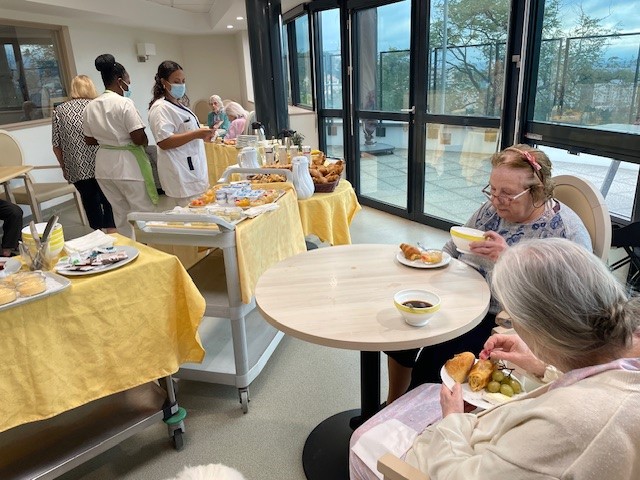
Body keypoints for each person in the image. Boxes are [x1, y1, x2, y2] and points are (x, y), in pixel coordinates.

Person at [351, 238, 640, 479]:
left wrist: (453, 420)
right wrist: (541, 365)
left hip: (445, 461)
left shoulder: (569, 425)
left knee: (361, 440)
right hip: (490, 440)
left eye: (512, 320)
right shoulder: (625, 349)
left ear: (542, 330)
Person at [386, 144, 592, 404]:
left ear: (537, 192)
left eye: (507, 194)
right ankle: (391, 405)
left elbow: (571, 303)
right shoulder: (490, 210)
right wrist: (431, 264)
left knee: (432, 368)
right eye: (492, 190)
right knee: (401, 336)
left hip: (501, 318)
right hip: (461, 298)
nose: (496, 201)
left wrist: (508, 258)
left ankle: (414, 411)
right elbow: (452, 248)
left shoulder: (564, 233)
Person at [83, 53, 157, 237]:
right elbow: (138, 138)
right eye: (128, 81)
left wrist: (107, 139)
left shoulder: (90, 106)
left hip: (104, 167)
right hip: (128, 166)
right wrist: (137, 139)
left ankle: (129, 247)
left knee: (119, 213)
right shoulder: (124, 103)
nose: (129, 85)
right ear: (119, 81)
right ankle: (150, 246)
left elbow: (89, 140)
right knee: (143, 212)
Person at [52, 74, 116, 232]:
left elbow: (56, 145)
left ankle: (97, 233)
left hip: (77, 166)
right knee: (109, 199)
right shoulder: (98, 106)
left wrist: (64, 167)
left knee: (89, 201)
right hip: (102, 163)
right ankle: (112, 232)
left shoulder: (59, 110)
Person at [148, 60, 213, 207]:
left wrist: (203, 135)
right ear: (164, 82)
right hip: (181, 175)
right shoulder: (161, 108)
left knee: (201, 210)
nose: (181, 85)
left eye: (183, 81)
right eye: (176, 81)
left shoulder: (177, 105)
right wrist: (196, 134)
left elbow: (185, 132)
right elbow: (164, 141)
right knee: (191, 214)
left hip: (193, 172)